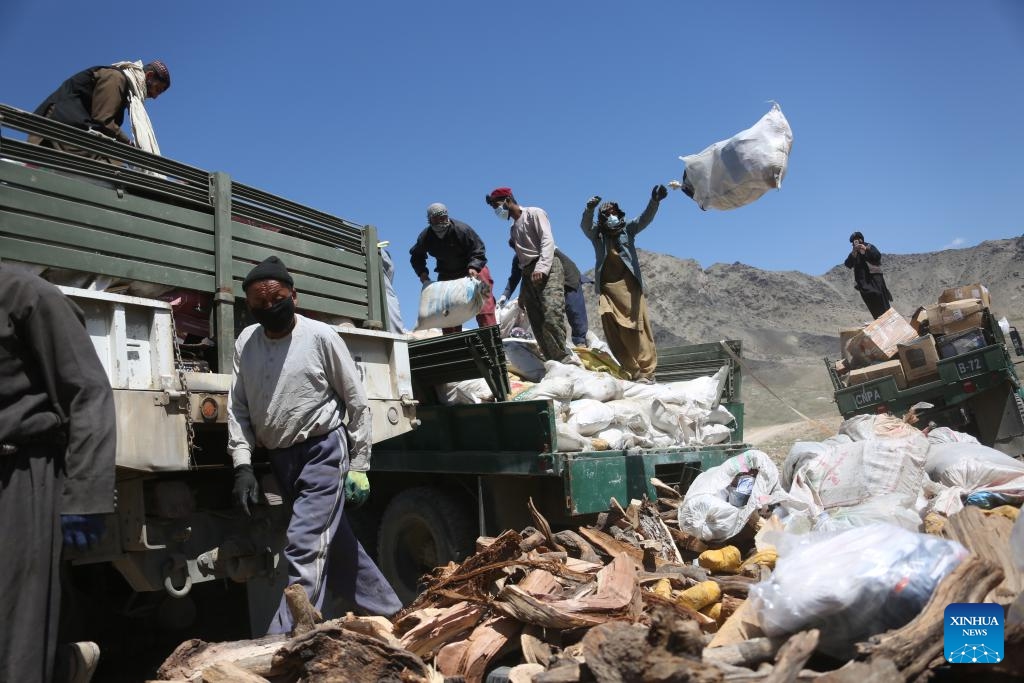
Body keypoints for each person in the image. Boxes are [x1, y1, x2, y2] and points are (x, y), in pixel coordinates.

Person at [227, 256, 401, 634]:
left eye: (276, 298)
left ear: (294, 296)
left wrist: (359, 464)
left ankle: (287, 639)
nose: (268, 307)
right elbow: (238, 407)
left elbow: (356, 402)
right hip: (280, 459)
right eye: (258, 303)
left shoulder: (321, 337)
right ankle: (392, 616)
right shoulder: (247, 343)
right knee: (335, 545)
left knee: (305, 543)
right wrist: (242, 464)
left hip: (323, 449)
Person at [0, 265, 117, 683]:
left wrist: (85, 495)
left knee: (15, 630)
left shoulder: (25, 294)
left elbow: (88, 392)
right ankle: (64, 665)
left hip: (18, 478)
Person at [581, 185, 668, 383]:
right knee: (612, 326)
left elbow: (645, 218)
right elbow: (585, 226)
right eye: (606, 214)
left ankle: (646, 371)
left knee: (636, 329)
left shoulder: (628, 230)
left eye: (613, 213)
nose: (611, 216)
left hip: (629, 287)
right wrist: (589, 209)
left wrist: (655, 201)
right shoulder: (598, 236)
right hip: (608, 289)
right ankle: (631, 369)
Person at [486, 187, 574, 363]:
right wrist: (523, 294)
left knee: (551, 313)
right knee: (536, 319)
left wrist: (542, 267)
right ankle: (552, 361)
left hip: (547, 267)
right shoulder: (513, 230)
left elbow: (547, 240)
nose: (497, 211)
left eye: (497, 205)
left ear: (508, 199)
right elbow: (522, 263)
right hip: (529, 274)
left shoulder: (534, 213)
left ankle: (564, 358)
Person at [29, 60, 171, 156]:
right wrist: (128, 144)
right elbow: (103, 121)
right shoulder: (116, 78)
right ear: (149, 76)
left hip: (69, 130)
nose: (155, 96)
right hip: (60, 128)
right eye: (157, 89)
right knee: (115, 167)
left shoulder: (125, 88)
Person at [410, 202, 496, 334]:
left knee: (484, 304)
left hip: (473, 270)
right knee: (446, 311)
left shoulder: (462, 229)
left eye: (443, 217)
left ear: (447, 216)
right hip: (447, 274)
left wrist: (473, 266)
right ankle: (454, 345)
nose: (440, 221)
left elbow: (478, 249)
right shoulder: (426, 236)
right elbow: (416, 256)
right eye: (436, 219)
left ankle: (491, 338)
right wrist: (422, 273)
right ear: (429, 220)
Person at [499, 246, 589, 347]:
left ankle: (581, 342)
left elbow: (530, 276)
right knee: (550, 316)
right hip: (547, 286)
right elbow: (515, 278)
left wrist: (522, 294)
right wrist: (505, 295)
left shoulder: (543, 248)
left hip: (568, 279)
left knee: (574, 311)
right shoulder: (518, 259)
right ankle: (558, 346)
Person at [844, 231, 893, 319]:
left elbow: (877, 256)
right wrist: (853, 254)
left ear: (861, 240)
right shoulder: (854, 252)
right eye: (853, 242)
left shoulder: (869, 246)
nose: (856, 243)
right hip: (863, 285)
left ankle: (889, 320)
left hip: (875, 280)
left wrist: (866, 249)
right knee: (872, 305)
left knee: (881, 300)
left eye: (856, 240)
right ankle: (879, 321)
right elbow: (847, 264)